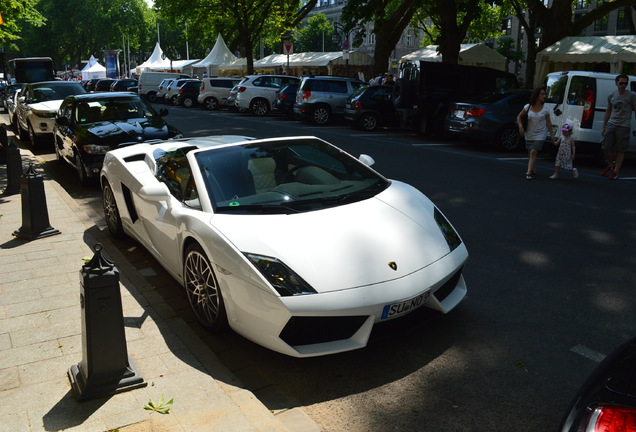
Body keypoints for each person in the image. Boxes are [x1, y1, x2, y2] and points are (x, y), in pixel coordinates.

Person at [600, 74, 636, 180]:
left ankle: (616, 171)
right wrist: (604, 126)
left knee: (620, 149)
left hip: (624, 125)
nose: (623, 85)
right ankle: (611, 165)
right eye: (621, 83)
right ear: (616, 84)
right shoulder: (611, 96)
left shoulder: (631, 96)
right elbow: (608, 111)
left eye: (625, 83)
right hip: (612, 123)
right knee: (606, 147)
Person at [517, 87, 555, 180]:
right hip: (529, 132)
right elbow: (519, 116)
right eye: (542, 94)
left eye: (544, 94)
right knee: (530, 152)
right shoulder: (528, 106)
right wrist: (521, 127)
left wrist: (552, 134)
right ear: (537, 95)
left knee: (533, 152)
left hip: (541, 133)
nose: (544, 96)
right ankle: (533, 168)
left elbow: (548, 122)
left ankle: (529, 172)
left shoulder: (546, 108)